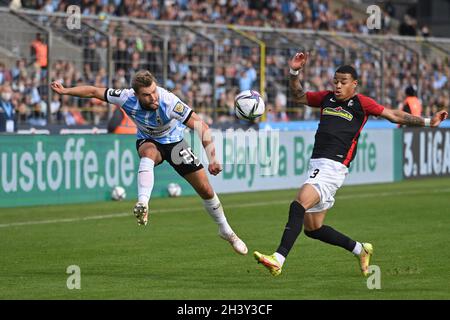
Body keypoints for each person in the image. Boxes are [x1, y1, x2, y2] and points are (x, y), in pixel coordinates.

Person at [254, 52, 448, 277]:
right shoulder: (326, 98)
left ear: (354, 85)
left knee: (298, 205)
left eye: (343, 82)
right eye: (335, 81)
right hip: (318, 164)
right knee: (313, 229)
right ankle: (360, 249)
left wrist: (427, 122)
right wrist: (294, 72)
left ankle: (278, 259)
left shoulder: (361, 103)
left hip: (333, 166)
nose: (337, 86)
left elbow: (393, 115)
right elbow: (298, 96)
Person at [51, 70, 247, 256]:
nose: (153, 97)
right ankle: (143, 203)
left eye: (154, 91)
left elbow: (201, 125)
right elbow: (94, 91)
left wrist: (213, 158)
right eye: (147, 95)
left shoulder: (169, 101)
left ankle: (226, 230)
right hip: (149, 140)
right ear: (136, 95)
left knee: (205, 188)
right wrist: (66, 90)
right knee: (149, 153)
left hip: (175, 143)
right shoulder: (126, 97)